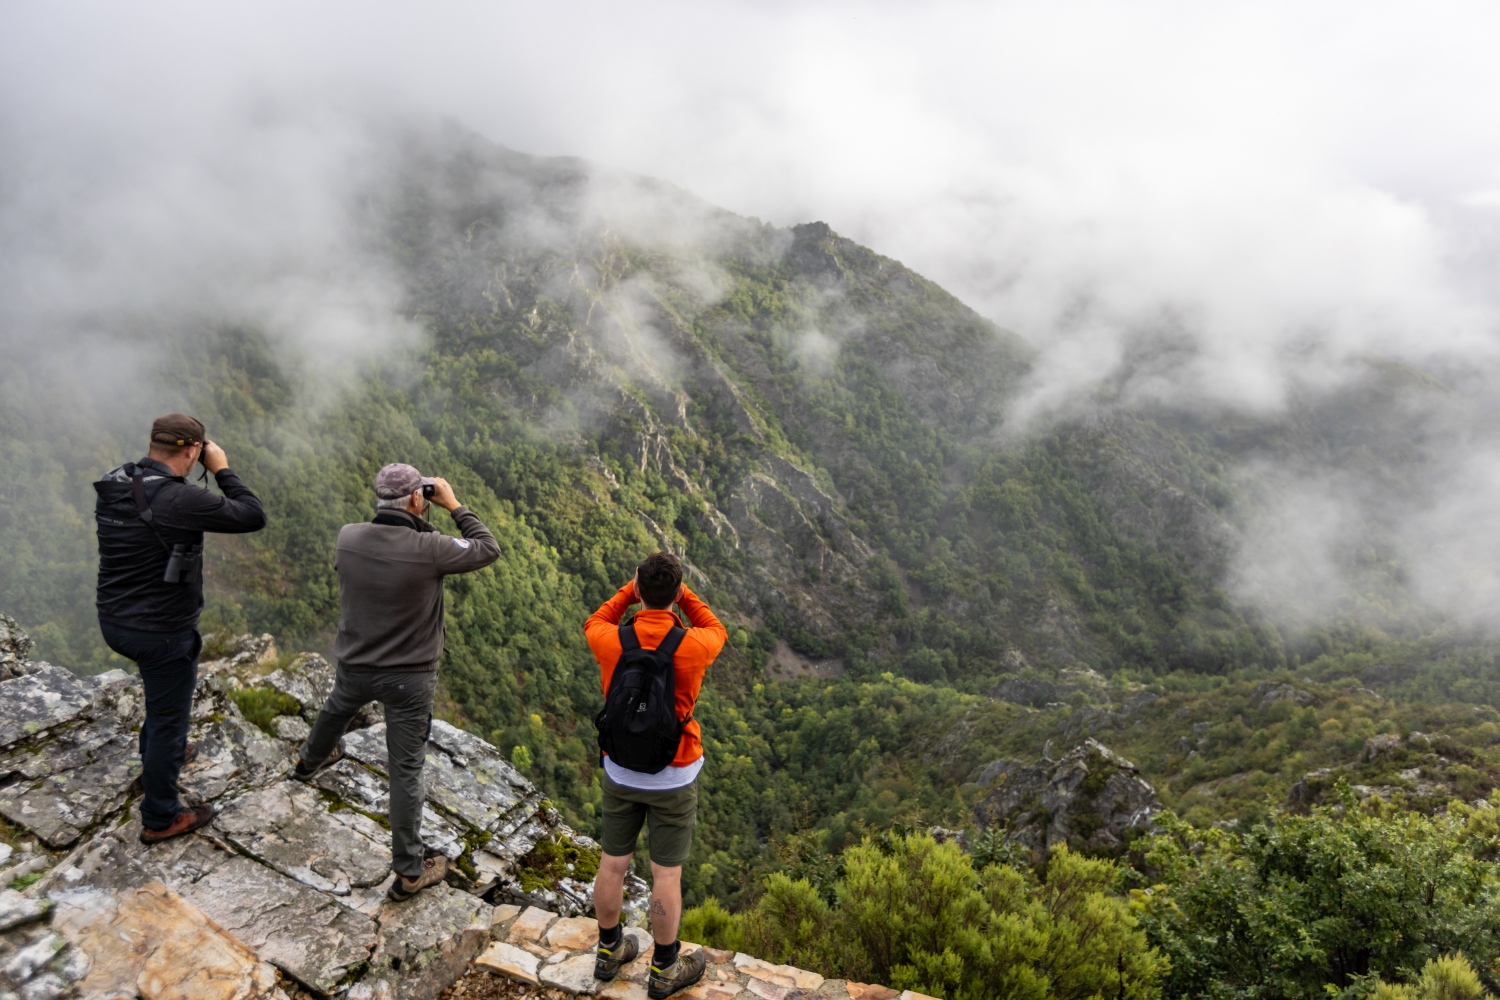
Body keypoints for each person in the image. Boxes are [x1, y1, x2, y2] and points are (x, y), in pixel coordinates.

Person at [294, 463, 500, 901]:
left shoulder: (347, 537)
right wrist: (454, 504)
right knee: (406, 770)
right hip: (409, 678)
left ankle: (308, 763)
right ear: (415, 499)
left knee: (337, 708)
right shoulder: (429, 547)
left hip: (355, 663)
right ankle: (409, 871)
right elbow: (487, 548)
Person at [95, 413, 267, 844]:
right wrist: (222, 468)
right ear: (193, 450)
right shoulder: (180, 499)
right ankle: (160, 816)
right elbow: (252, 515)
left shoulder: (117, 482)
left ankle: (155, 752)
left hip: (114, 620)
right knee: (170, 718)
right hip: (162, 631)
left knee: (162, 704)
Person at [585, 552, 726, 999]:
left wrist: (629, 592)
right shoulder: (694, 646)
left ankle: (609, 950)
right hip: (674, 773)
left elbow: (596, 618)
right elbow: (716, 628)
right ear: (677, 593)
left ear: (640, 590)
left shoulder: (611, 640)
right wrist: (685, 598)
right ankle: (664, 967)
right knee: (666, 875)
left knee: (613, 863)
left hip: (621, 768)